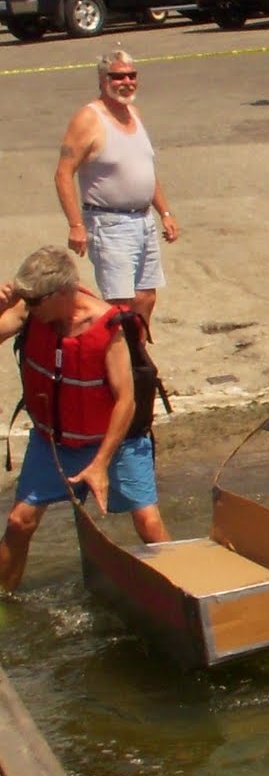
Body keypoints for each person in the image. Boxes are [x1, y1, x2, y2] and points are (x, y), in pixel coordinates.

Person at [0, 246, 170, 590]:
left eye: (34, 301)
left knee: (148, 523)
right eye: (25, 299)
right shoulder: (32, 313)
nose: (28, 307)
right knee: (19, 522)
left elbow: (126, 401)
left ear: (64, 292)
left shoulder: (108, 327)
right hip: (54, 442)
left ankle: (187, 593)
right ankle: (5, 600)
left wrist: (100, 463)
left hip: (115, 442)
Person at [53, 49, 179, 326]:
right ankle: (117, 363)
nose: (127, 82)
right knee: (119, 304)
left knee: (146, 297)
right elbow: (63, 173)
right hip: (110, 224)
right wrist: (76, 225)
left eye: (131, 76)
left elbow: (144, 169)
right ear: (102, 79)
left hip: (143, 220)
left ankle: (139, 361)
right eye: (118, 76)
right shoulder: (88, 118)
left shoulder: (133, 113)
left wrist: (165, 213)